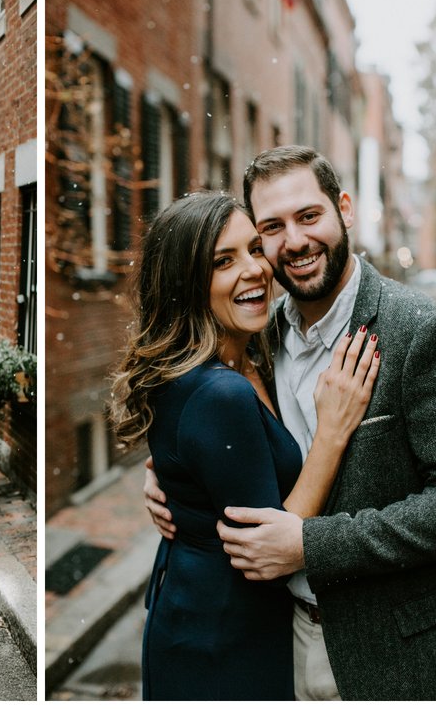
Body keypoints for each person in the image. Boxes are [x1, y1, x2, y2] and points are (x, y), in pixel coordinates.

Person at [144, 146, 436, 700]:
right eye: (272, 226)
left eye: (308, 216)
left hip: (406, 658)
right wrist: (172, 477)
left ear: (344, 209)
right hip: (282, 645)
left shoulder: (421, 331)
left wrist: (313, 545)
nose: (293, 241)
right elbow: (224, 433)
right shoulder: (257, 334)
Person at [109, 192, 379, 700]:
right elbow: (268, 548)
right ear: (186, 284)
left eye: (255, 249)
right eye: (223, 261)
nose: (255, 269)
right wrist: (332, 433)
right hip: (222, 640)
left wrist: (170, 478)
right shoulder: (220, 390)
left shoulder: (250, 356)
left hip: (204, 612)